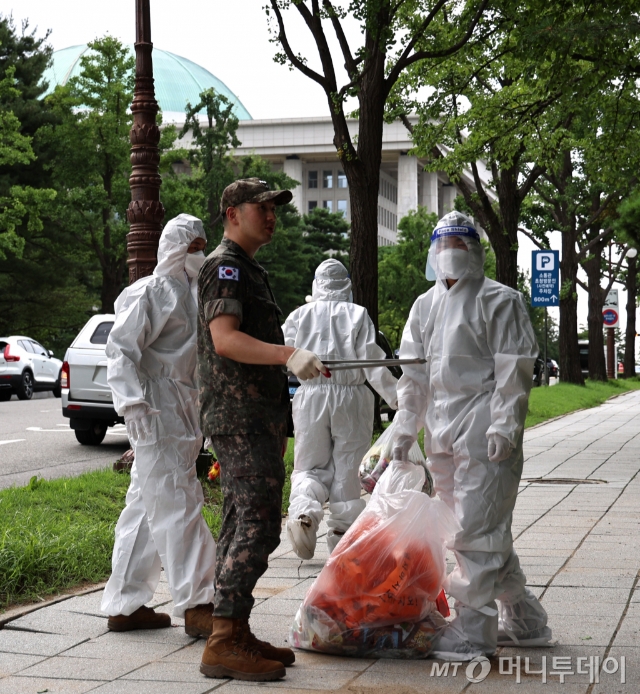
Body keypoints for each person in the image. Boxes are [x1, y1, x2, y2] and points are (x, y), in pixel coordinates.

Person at [394, 211, 553, 661]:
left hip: (483, 425)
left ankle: (472, 633)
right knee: (472, 529)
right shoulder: (425, 305)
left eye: (459, 247)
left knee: (474, 533)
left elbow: (513, 371)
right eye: (443, 247)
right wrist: (405, 428)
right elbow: (414, 375)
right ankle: (525, 620)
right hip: (441, 428)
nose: (450, 256)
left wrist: (506, 424)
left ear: (475, 252)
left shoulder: (500, 300)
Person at [197, 178, 328, 682]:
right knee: (258, 525)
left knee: (240, 525)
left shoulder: (247, 267)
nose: (272, 214)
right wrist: (287, 354)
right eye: (262, 207)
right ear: (232, 213)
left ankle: (234, 629)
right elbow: (225, 340)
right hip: (240, 418)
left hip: (255, 417)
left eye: (275, 207)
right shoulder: (225, 267)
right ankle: (224, 641)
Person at [101, 214, 218, 639]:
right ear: (175, 247)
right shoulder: (150, 291)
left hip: (181, 409)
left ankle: (125, 604)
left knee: (146, 506)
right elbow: (120, 350)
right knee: (179, 501)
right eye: (193, 246)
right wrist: (132, 404)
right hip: (155, 411)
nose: (199, 254)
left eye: (202, 246)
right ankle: (201, 602)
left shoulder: (193, 293)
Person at [283, 259, 398, 558]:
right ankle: (343, 538)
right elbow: (372, 363)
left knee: (310, 465)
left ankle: (304, 516)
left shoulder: (299, 315)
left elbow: (281, 353)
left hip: (310, 396)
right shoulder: (358, 315)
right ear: (346, 284)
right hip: (351, 398)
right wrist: (399, 399)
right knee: (348, 468)